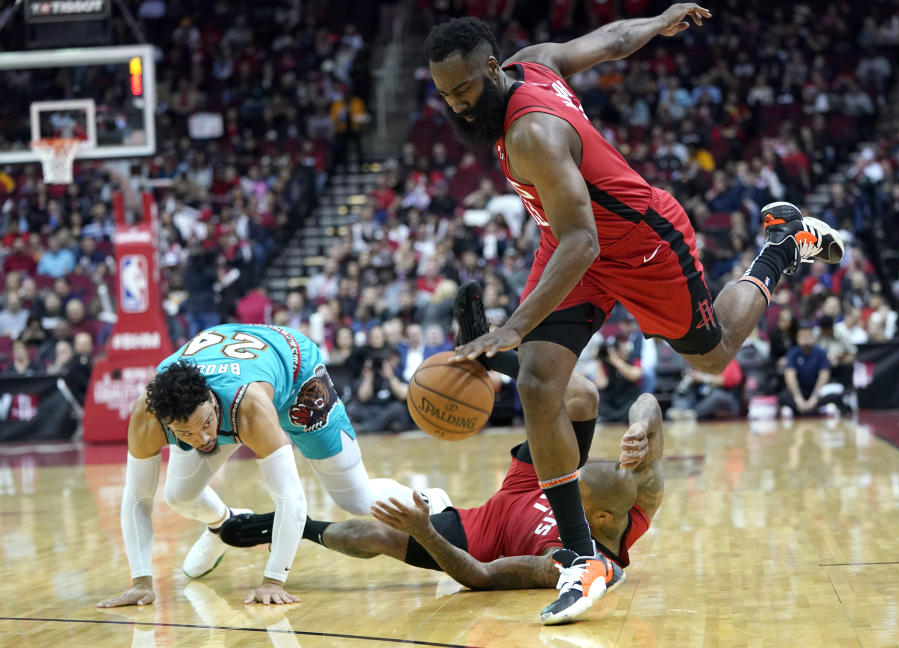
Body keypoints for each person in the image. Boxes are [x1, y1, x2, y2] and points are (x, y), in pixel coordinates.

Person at [428, 6, 844, 623]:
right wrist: (659, 19)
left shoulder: (530, 133)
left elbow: (585, 243)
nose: (458, 105)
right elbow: (611, 39)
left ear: (492, 69)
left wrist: (514, 325)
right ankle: (580, 558)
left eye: (464, 90)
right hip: (571, 240)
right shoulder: (534, 63)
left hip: (639, 241)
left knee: (713, 355)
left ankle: (780, 246)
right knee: (542, 382)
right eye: (445, 96)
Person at [96, 324, 450, 609]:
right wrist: (141, 581)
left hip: (295, 375)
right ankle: (225, 524)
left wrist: (273, 580)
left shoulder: (249, 406)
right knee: (178, 496)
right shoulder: (148, 415)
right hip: (234, 371)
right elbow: (138, 499)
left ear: (209, 398)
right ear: (166, 422)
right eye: (184, 432)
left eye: (205, 424)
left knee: (354, 497)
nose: (203, 438)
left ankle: (434, 502)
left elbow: (292, 499)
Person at [219, 388, 662, 609]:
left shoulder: (566, 563)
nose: (563, 488)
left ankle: (287, 525)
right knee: (580, 395)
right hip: (524, 485)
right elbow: (648, 401)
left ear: (601, 516)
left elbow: (482, 577)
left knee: (378, 534)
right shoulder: (637, 488)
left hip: (480, 537)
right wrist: (641, 426)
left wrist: (424, 530)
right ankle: (489, 358)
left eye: (573, 491)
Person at [778, 321, 844, 418]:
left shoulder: (821, 352)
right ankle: (804, 408)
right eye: (803, 337)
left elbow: (824, 375)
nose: (806, 339)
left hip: (816, 390)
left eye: (808, 336)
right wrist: (798, 397)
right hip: (799, 390)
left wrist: (814, 397)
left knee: (835, 396)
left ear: (813, 337)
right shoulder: (793, 352)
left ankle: (815, 408)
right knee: (783, 397)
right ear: (798, 339)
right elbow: (790, 375)